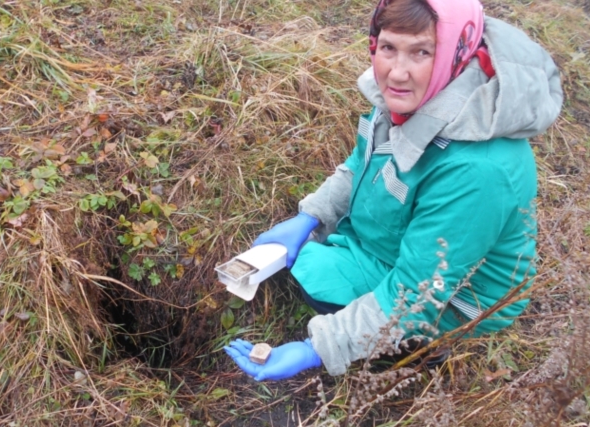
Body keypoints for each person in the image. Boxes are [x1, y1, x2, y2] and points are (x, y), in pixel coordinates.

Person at [224, 0, 562, 381]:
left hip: (455, 297)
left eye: (421, 51)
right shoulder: (415, 98)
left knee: (317, 279)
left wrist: (315, 349)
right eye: (388, 48)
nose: (397, 73)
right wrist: (311, 216)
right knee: (309, 259)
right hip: (408, 242)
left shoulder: (477, 170)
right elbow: (361, 165)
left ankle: (417, 352)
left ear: (455, 51)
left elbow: (417, 294)